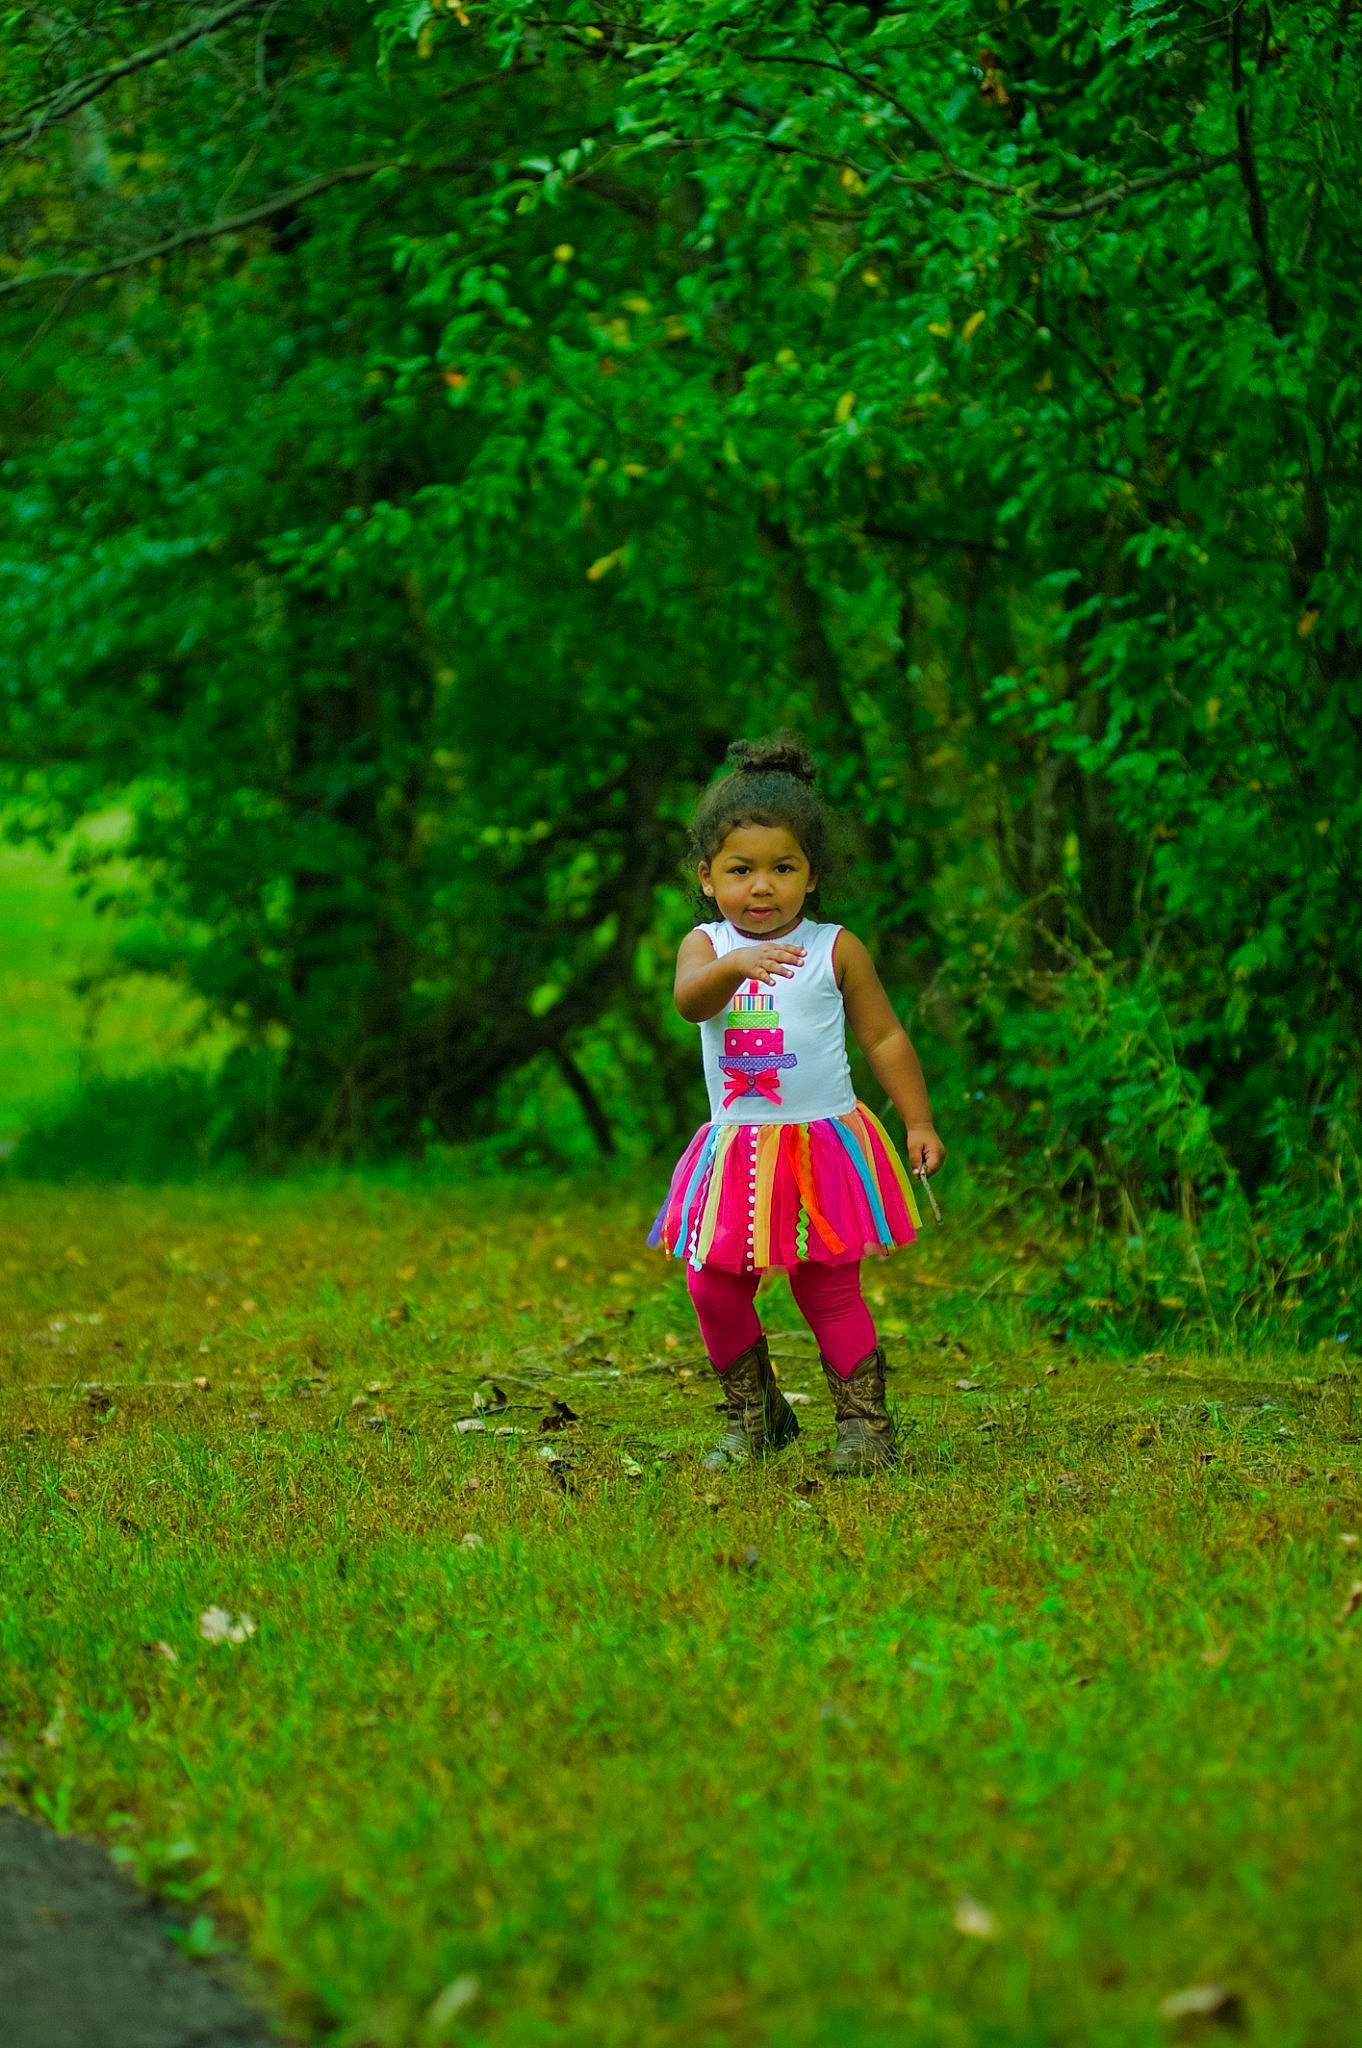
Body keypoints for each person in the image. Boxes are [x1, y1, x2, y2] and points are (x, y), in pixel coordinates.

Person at [649, 736, 946, 1476]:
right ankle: (756, 1417)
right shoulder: (704, 946)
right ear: (707, 877)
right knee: (710, 1283)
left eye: (783, 869)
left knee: (828, 1286)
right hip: (740, 1149)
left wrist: (917, 1119)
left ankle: (864, 1427)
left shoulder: (834, 947)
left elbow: (882, 1036)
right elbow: (691, 1003)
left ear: (812, 876)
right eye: (740, 871)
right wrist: (733, 964)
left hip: (821, 1148)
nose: (761, 887)